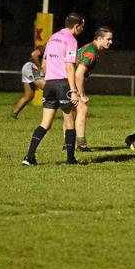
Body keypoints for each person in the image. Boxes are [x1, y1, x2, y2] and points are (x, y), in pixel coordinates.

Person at [22, 13, 85, 166]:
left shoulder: (52, 37)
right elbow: (69, 67)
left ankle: (29, 157)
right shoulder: (71, 40)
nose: (82, 30)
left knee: (45, 123)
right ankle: (70, 159)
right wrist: (73, 91)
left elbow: (44, 64)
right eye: (82, 27)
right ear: (77, 26)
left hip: (49, 84)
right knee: (69, 121)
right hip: (63, 84)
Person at [72, 26, 114, 151]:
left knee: (70, 113)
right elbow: (78, 74)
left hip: (64, 82)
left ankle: (67, 144)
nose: (111, 42)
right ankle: (81, 145)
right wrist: (81, 94)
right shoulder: (91, 52)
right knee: (82, 109)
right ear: (99, 38)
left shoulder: (91, 48)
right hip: (68, 84)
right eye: (108, 39)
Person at [9, 46, 45, 119]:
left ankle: (13, 115)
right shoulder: (45, 48)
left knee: (29, 96)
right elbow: (34, 54)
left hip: (29, 68)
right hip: (31, 68)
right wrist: (40, 68)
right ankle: (49, 115)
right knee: (48, 87)